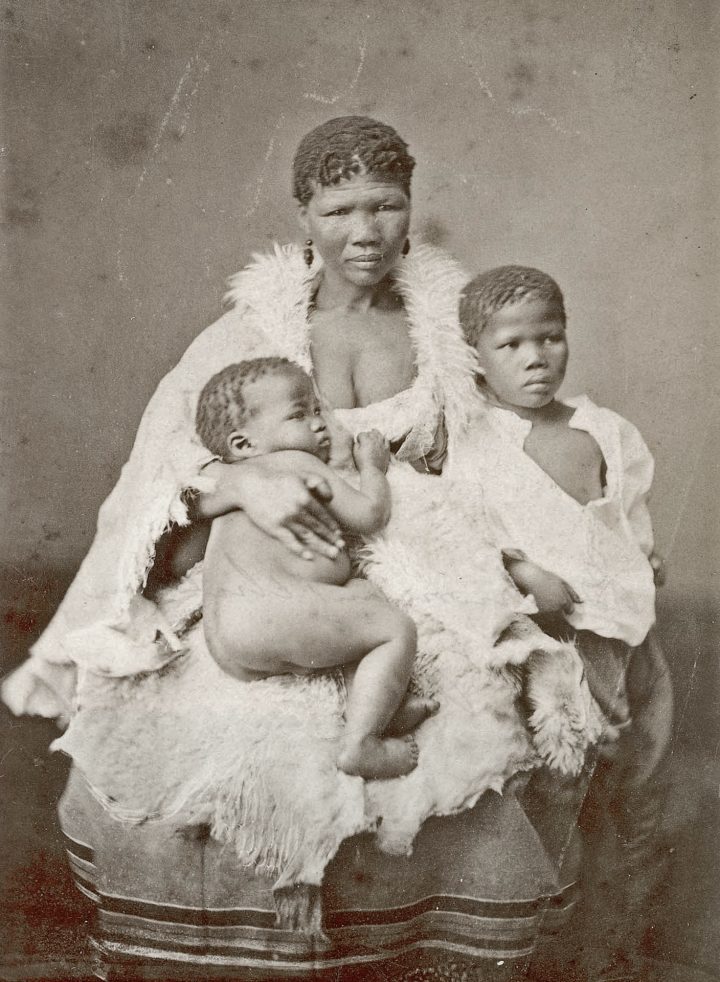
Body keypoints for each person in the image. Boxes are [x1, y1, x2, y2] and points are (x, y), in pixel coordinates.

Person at [2, 118, 599, 976]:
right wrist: (241, 484)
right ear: (303, 214)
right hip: (267, 573)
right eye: (339, 208)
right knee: (218, 726)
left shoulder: (449, 335)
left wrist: (559, 547)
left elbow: (505, 455)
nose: (364, 233)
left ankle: (415, 953)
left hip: (423, 566)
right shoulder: (247, 337)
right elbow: (162, 474)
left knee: (471, 708)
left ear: (410, 209)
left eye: (386, 206)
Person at [450, 264, 674, 970]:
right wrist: (521, 573)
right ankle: (546, 945)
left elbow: (628, 517)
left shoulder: (603, 428)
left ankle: (621, 939)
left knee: (639, 780)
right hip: (546, 646)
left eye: (550, 337)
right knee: (555, 787)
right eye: (512, 344)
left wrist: (644, 559)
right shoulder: (472, 442)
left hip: (625, 633)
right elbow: (458, 536)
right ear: (475, 358)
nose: (535, 356)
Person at [195, 355, 434, 779]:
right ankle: (361, 744)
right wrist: (372, 468)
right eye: (298, 415)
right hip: (271, 613)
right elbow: (370, 515)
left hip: (228, 643)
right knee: (395, 628)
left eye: (317, 410)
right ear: (243, 444)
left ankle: (379, 705)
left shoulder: (232, 492)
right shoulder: (296, 463)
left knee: (361, 598)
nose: (319, 424)